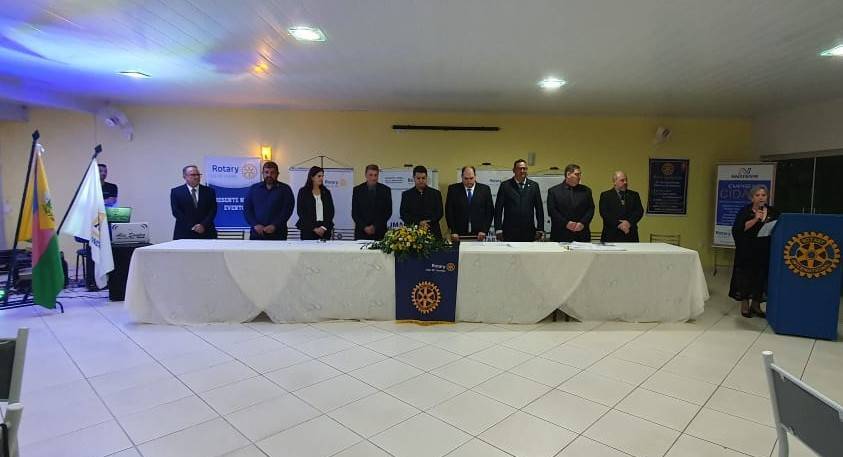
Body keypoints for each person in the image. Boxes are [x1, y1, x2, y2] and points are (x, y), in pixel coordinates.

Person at [729, 185, 779, 318]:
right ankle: (745, 304)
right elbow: (738, 229)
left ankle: (756, 305)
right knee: (746, 277)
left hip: (764, 249)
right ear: (752, 198)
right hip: (747, 250)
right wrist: (756, 219)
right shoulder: (745, 211)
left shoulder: (773, 212)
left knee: (761, 277)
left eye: (763, 195)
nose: (761, 198)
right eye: (757, 195)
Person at [495, 159, 544, 242]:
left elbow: (539, 209)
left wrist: (540, 229)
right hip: (509, 231)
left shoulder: (534, 186)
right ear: (514, 170)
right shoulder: (505, 186)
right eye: (519, 168)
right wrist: (498, 229)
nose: (522, 171)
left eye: (524, 168)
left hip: (529, 231)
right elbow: (498, 209)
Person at [244, 161, 294, 240]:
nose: (269, 175)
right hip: (257, 234)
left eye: (272, 172)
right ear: (263, 173)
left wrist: (275, 225)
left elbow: (287, 210)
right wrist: (255, 224)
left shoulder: (285, 189)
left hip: (278, 234)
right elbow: (247, 209)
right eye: (266, 172)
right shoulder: (254, 188)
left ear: (277, 174)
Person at [548, 164, 594, 242]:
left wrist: (582, 223)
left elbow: (591, 209)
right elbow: (552, 211)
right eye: (577, 174)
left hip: (582, 234)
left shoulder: (586, 191)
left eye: (580, 174)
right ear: (568, 174)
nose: (579, 177)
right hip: (560, 234)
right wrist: (566, 223)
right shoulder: (554, 191)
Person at [445, 165, 493, 241]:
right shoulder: (453, 189)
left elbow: (489, 212)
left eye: (471, 178)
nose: (469, 181)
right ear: (461, 177)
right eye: (466, 178)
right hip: (458, 233)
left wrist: (484, 230)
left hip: (479, 233)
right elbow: (449, 211)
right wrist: (453, 230)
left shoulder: (485, 189)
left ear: (475, 176)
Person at [170, 165, 218, 240]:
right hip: (184, 232)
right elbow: (176, 212)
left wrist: (203, 225)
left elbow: (213, 210)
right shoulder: (176, 192)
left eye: (198, 174)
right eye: (193, 175)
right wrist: (192, 226)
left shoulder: (209, 191)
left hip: (206, 231)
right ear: (184, 176)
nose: (196, 177)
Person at [599, 170, 644, 242]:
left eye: (626, 180)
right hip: (611, 235)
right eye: (622, 180)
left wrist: (629, 223)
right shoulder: (606, 195)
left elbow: (639, 211)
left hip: (630, 235)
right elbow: (604, 213)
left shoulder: (634, 195)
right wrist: (619, 225)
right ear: (614, 182)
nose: (625, 182)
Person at [400, 165, 443, 238]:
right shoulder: (406, 195)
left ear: (426, 178)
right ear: (414, 178)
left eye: (423, 178)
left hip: (433, 231)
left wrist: (428, 222)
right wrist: (419, 222)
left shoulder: (436, 194)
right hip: (413, 234)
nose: (421, 181)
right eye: (418, 178)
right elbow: (403, 214)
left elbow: (439, 213)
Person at [352, 164, 392, 240]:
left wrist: (375, 226)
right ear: (365, 175)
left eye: (375, 175)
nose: (373, 178)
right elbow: (354, 213)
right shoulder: (357, 190)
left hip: (380, 232)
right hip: (361, 233)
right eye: (370, 175)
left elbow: (388, 212)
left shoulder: (386, 190)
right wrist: (364, 227)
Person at [295, 166, 335, 240]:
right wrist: (314, 228)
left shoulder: (326, 192)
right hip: (308, 229)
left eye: (322, 176)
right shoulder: (303, 192)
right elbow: (301, 212)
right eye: (319, 176)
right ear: (312, 177)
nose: (321, 178)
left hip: (324, 230)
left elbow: (331, 212)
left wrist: (323, 227)